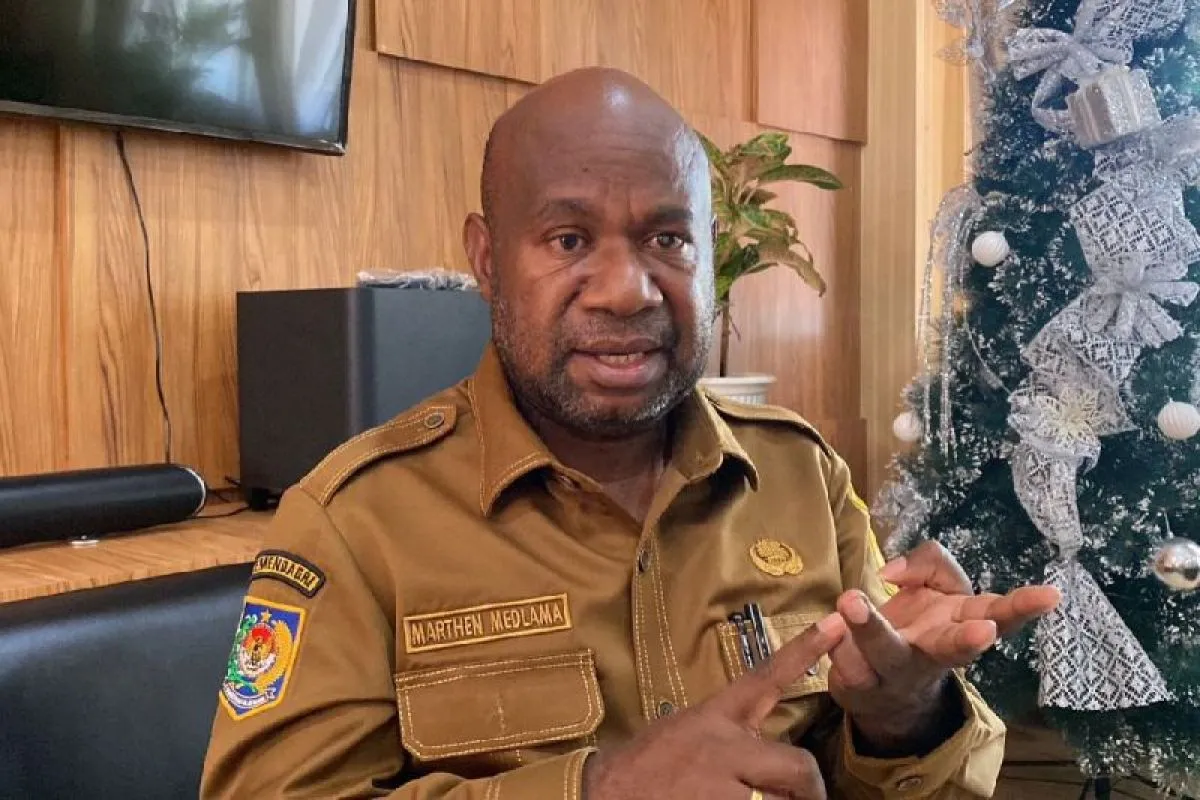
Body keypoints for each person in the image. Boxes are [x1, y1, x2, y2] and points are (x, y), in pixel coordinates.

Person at [200, 67, 1060, 799]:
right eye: (569, 238)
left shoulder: (803, 478)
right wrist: (594, 789)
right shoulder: (354, 522)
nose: (626, 291)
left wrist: (902, 717)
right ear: (488, 259)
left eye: (667, 239)